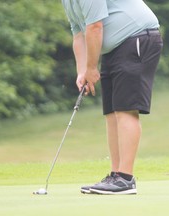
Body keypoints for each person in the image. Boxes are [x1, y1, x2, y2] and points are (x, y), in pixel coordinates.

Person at [61, 0, 163, 195]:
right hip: (114, 47)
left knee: (125, 109)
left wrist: (92, 68)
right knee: (111, 112)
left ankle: (125, 178)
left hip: (137, 37)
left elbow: (95, 27)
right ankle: (116, 176)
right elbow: (78, 34)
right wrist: (82, 71)